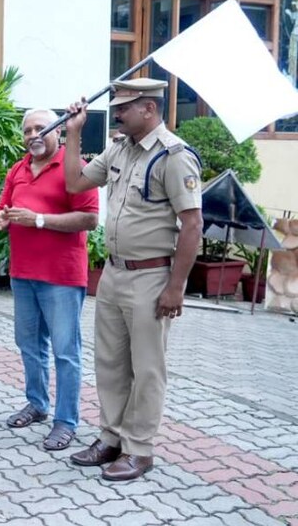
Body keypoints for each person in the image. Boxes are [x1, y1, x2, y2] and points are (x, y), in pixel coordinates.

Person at [63, 79, 203, 481]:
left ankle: (140, 449)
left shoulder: (174, 157)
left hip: (151, 277)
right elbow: (75, 184)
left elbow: (192, 225)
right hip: (113, 272)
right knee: (109, 363)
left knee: (147, 368)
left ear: (150, 109)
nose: (118, 113)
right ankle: (111, 437)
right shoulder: (119, 148)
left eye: (125, 107)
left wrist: (175, 287)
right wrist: (73, 134)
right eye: (118, 106)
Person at [0, 108, 99, 451]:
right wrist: (1, 218)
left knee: (65, 352)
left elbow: (89, 219)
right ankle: (37, 404)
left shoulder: (74, 166)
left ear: (57, 131)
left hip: (61, 277)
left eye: (42, 127)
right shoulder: (18, 169)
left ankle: (66, 421)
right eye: (27, 129)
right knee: (29, 345)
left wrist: (38, 219)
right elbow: (5, 208)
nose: (33, 134)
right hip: (23, 273)